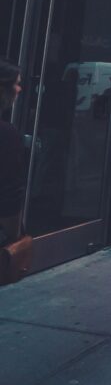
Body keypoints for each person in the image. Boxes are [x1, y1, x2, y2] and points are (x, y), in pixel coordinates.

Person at [0, 59, 26, 251]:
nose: (20, 89)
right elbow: (9, 193)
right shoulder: (6, 134)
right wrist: (14, 236)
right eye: (16, 83)